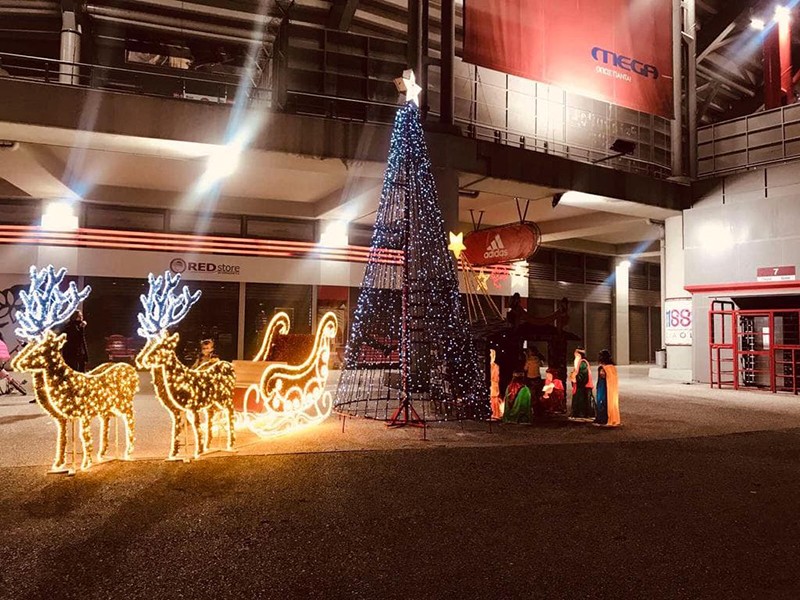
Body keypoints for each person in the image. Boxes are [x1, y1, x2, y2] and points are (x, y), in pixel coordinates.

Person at [596, 349, 620, 427]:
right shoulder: (613, 368)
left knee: (602, 404)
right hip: (612, 391)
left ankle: (602, 419)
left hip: (604, 389)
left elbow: (602, 379)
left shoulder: (603, 368)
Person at [569, 348, 595, 420]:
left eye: (576, 354)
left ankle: (581, 414)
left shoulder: (582, 363)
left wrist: (576, 378)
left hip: (583, 386)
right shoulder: (579, 362)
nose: (575, 355)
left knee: (581, 401)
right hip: (580, 385)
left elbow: (583, 375)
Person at [489, 349, 504, 420]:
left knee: (494, 399)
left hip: (493, 385)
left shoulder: (495, 366)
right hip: (492, 385)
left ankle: (495, 413)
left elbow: (495, 378)